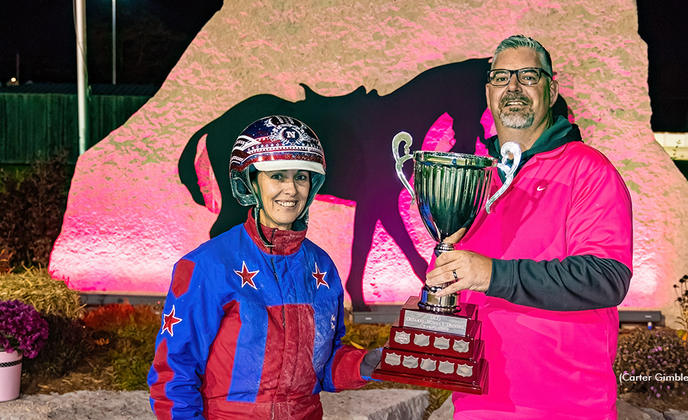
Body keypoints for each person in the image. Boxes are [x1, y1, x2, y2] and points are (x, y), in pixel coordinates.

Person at [425, 35, 633, 419]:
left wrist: (492, 274)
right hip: (475, 404)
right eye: (502, 77)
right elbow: (456, 278)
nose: (514, 88)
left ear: (551, 90)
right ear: (489, 93)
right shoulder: (477, 178)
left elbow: (606, 278)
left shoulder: (588, 170)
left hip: (566, 406)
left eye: (528, 75)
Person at [148, 115, 380, 420]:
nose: (291, 190)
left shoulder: (322, 266)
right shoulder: (208, 266)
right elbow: (174, 374)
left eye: (300, 176)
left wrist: (366, 364)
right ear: (251, 183)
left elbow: (321, 367)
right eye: (277, 176)